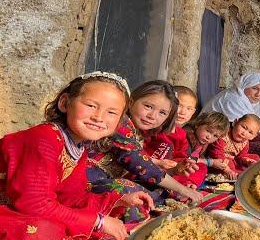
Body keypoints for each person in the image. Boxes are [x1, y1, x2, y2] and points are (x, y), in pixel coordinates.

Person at [0, 71, 154, 240]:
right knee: (41, 234)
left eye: (111, 112)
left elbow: (70, 198)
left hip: (16, 211)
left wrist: (118, 201)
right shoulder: (43, 139)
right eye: (91, 105)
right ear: (65, 103)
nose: (99, 117)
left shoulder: (76, 148)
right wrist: (98, 222)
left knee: (99, 217)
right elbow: (34, 204)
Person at [86, 80, 202, 223]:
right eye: (148, 106)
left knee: (155, 190)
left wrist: (173, 170)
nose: (152, 116)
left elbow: (136, 164)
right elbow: (139, 163)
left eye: (162, 113)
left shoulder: (139, 131)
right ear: (131, 101)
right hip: (87, 183)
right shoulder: (121, 122)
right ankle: (131, 225)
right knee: (127, 188)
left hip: (108, 179)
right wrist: (182, 189)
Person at [199, 72, 260, 157]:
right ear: (245, 85)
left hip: (236, 136)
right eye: (255, 88)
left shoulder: (250, 101)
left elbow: (255, 126)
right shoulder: (232, 100)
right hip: (212, 139)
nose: (258, 94)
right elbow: (248, 132)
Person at [144, 85, 198, 168]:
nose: (183, 112)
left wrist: (182, 163)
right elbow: (139, 150)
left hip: (169, 168)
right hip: (147, 165)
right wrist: (158, 163)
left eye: (189, 109)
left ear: (193, 112)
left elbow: (181, 155)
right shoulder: (156, 126)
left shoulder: (181, 133)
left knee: (200, 168)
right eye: (179, 106)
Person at [180, 111, 230, 188]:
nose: (209, 137)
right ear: (198, 124)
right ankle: (184, 185)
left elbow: (200, 155)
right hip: (177, 165)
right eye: (208, 131)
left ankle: (190, 184)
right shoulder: (187, 136)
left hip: (189, 168)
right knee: (202, 166)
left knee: (203, 167)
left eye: (215, 136)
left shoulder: (203, 140)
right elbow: (185, 158)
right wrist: (210, 162)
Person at [207, 114, 260, 180]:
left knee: (255, 157)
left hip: (234, 160)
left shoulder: (245, 142)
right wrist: (228, 170)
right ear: (235, 122)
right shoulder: (224, 135)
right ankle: (239, 176)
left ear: (253, 136)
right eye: (244, 127)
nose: (244, 133)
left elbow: (240, 156)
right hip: (218, 161)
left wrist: (247, 161)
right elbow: (216, 154)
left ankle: (246, 173)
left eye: (250, 132)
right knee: (230, 163)